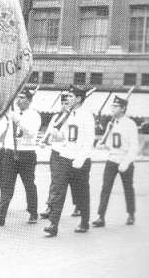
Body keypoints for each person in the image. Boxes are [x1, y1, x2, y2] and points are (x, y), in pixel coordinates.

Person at [43, 85, 95, 237]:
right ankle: (53, 224)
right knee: (58, 191)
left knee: (81, 193)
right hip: (64, 157)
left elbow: (88, 140)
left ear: (79, 99)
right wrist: (57, 134)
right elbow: (61, 135)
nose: (68, 99)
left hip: (80, 159)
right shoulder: (65, 114)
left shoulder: (86, 116)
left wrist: (81, 158)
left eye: (71, 97)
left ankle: (84, 221)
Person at [0, 90, 42, 226]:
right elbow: (7, 132)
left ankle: (33, 212)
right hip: (10, 153)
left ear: (29, 100)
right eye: (18, 97)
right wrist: (0, 145)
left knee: (29, 184)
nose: (19, 100)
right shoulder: (13, 114)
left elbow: (30, 133)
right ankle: (1, 215)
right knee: (7, 185)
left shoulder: (34, 115)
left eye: (23, 98)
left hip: (26, 153)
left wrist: (17, 120)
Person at [92, 96, 139, 228]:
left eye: (116, 106)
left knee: (128, 188)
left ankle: (131, 214)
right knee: (105, 188)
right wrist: (104, 140)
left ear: (123, 108)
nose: (112, 109)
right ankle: (100, 216)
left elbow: (134, 146)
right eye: (112, 106)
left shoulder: (130, 124)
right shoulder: (112, 123)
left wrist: (126, 162)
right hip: (112, 160)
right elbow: (109, 144)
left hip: (125, 160)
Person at [40, 93, 79, 220]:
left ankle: (78, 205)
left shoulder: (74, 117)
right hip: (57, 152)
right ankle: (50, 206)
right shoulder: (57, 116)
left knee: (75, 181)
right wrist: (44, 140)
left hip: (71, 153)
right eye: (62, 103)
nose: (64, 106)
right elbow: (50, 130)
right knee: (55, 181)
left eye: (67, 103)